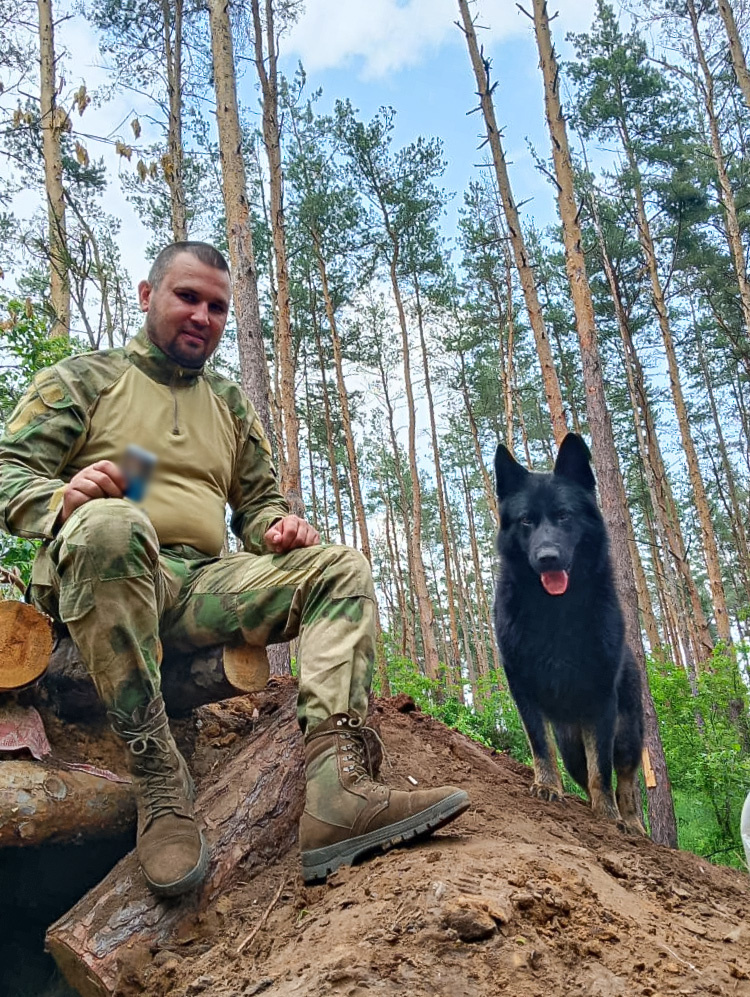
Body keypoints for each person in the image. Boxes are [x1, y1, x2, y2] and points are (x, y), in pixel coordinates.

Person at [0, 242, 469, 896]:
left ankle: (339, 791)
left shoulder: (228, 404)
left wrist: (279, 528)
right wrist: (58, 499)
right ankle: (160, 778)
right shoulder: (85, 379)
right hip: (101, 576)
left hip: (195, 584)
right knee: (115, 523)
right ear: (146, 296)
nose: (203, 315)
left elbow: (257, 504)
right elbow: (7, 467)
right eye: (187, 297)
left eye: (217, 307)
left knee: (340, 567)